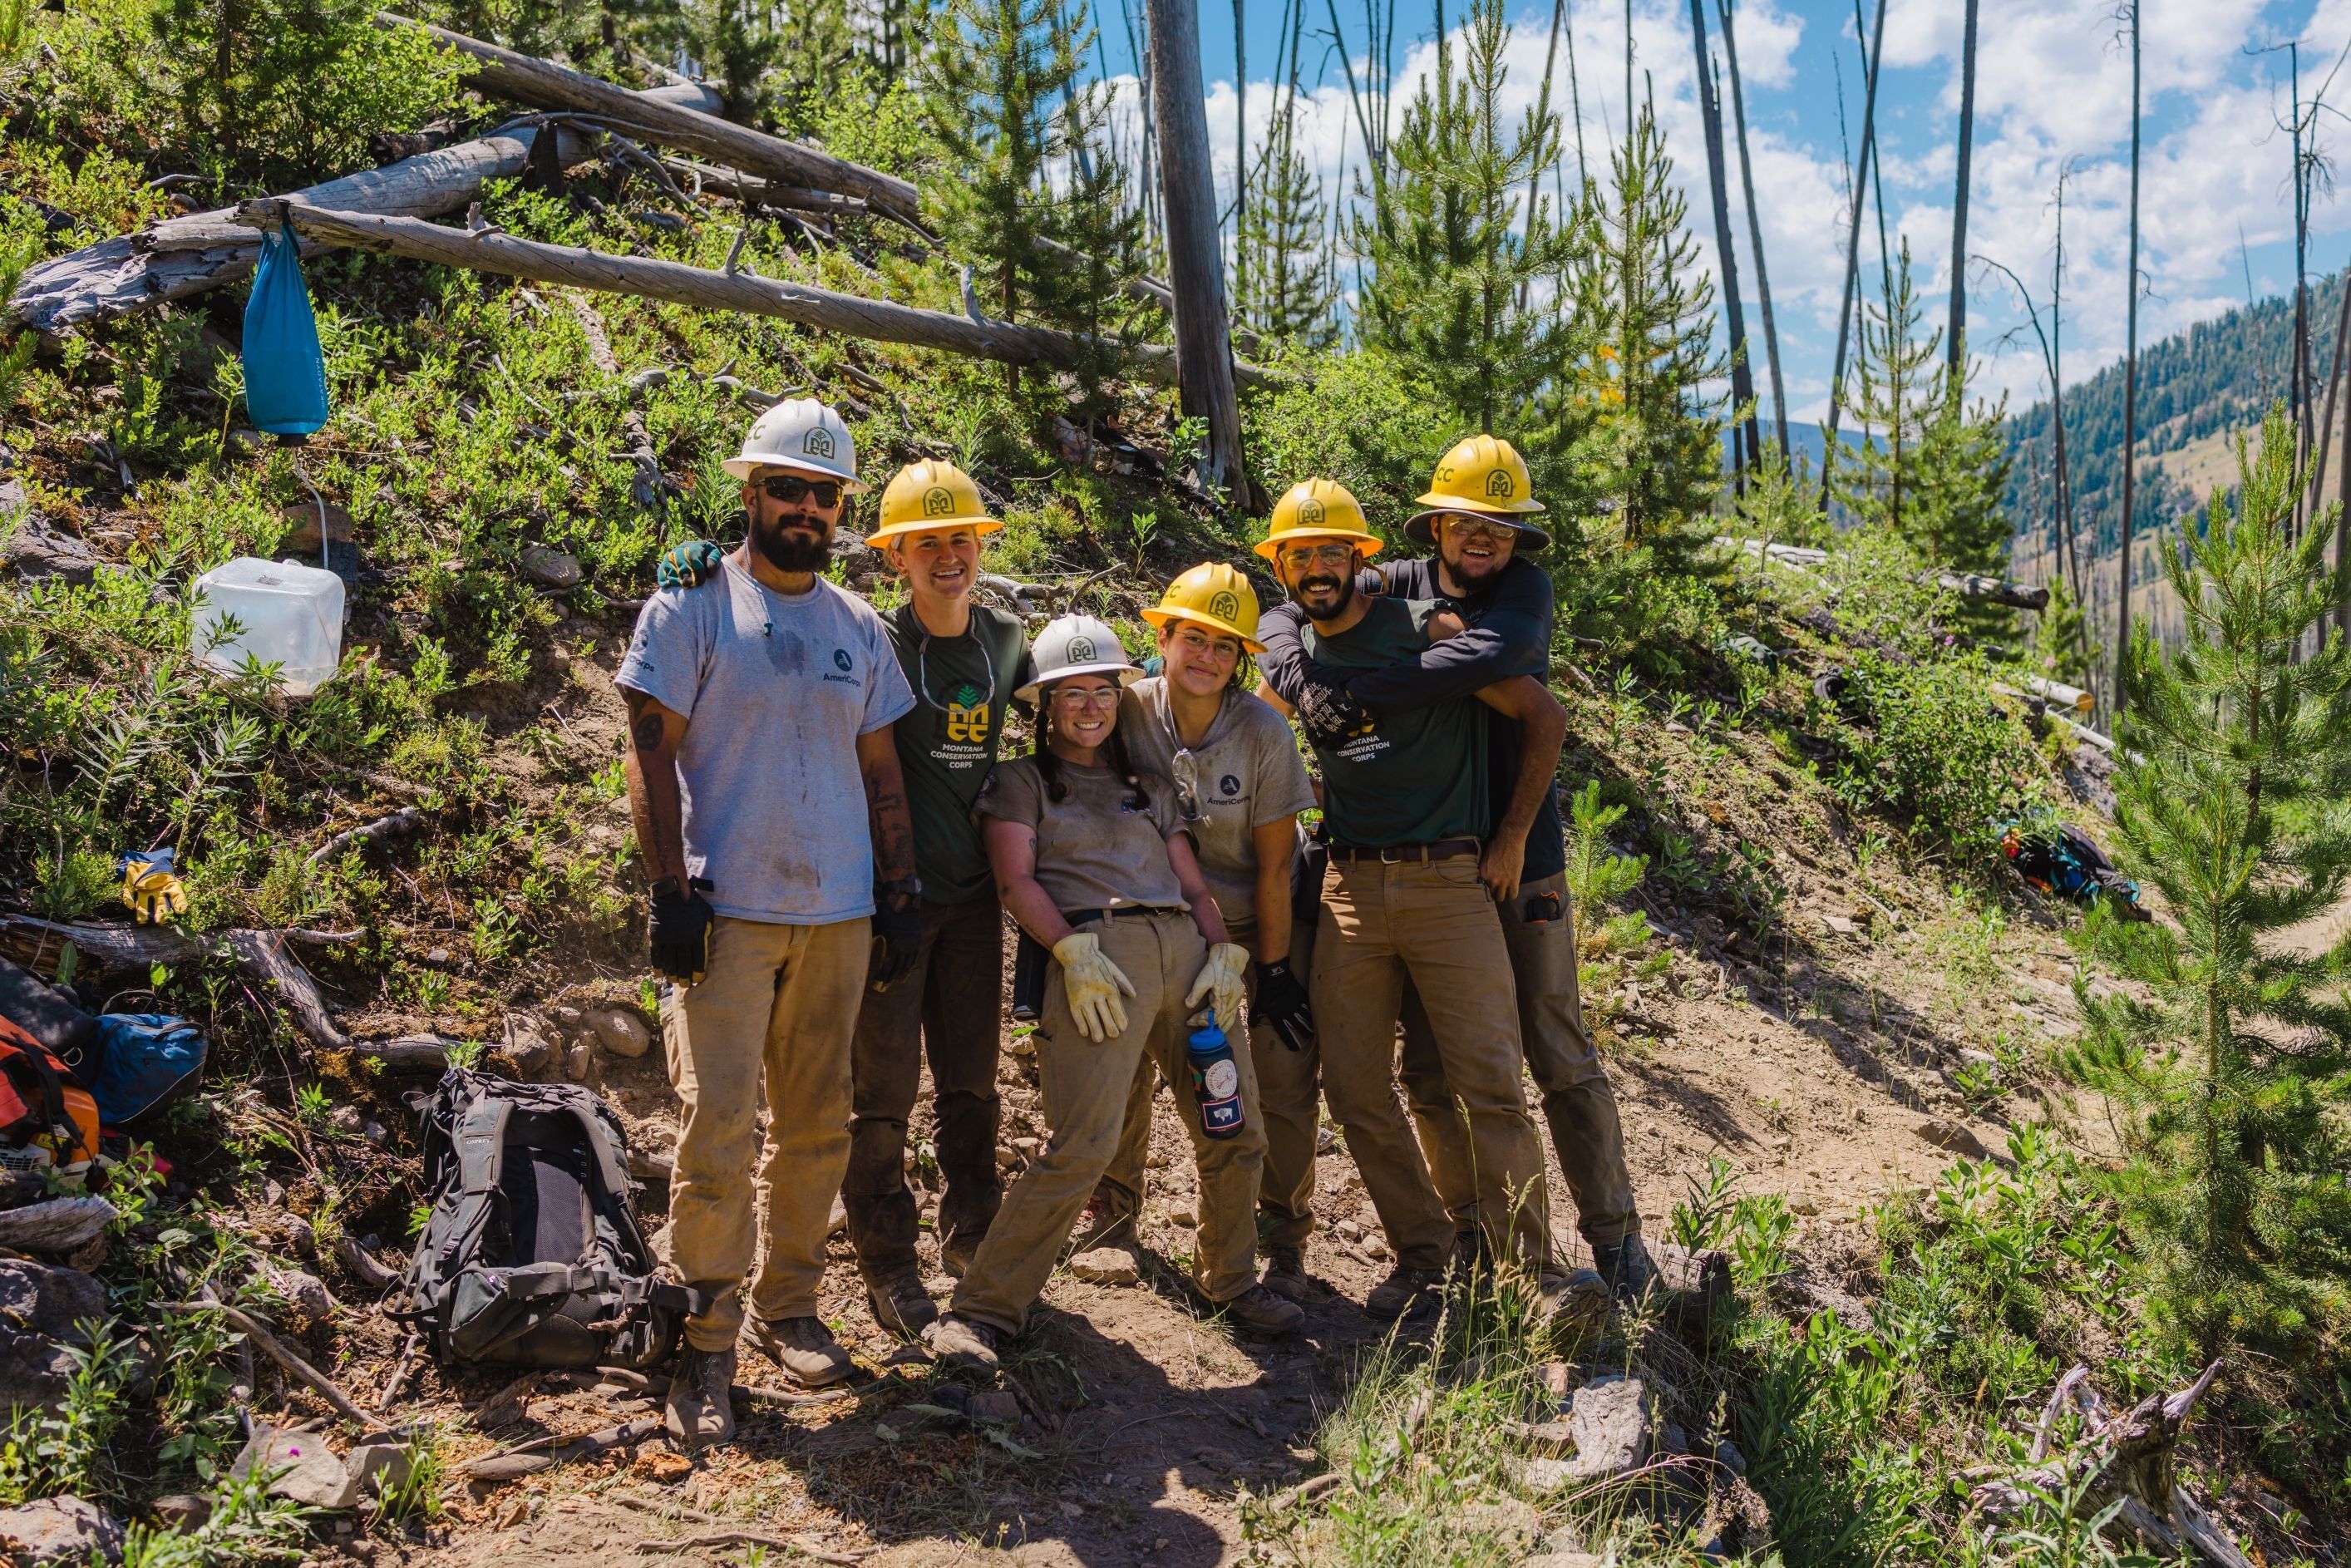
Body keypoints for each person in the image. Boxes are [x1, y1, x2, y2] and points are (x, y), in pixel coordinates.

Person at [1257, 436, 1648, 1294]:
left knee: (1552, 1050)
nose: (1483, 539)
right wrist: (1289, 661)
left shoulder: (1518, 592)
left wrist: (1358, 693)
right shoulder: (1391, 581)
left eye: (1500, 527)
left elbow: (1488, 668)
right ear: (1433, 525)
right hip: (1413, 868)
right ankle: (1469, 1242)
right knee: (1430, 1070)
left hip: (1518, 852)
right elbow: (1292, 601)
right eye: (1466, 523)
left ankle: (1614, 1244)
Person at [655, 462, 1036, 1334]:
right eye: (926, 541)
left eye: (962, 539)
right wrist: (700, 560)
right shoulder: (871, 633)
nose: (948, 556)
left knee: (973, 1086)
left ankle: (976, 1246)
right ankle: (886, 1260)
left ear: (982, 547)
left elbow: (1080, 714)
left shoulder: (1009, 640)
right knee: (879, 1093)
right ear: (893, 553)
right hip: (870, 902)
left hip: (972, 898)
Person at [616, 399, 921, 1447]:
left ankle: (790, 1304)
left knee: (817, 1125)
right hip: (728, 915)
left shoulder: (856, 627)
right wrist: (669, 891)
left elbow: (881, 769)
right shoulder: (692, 601)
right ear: (748, 492)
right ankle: (705, 1335)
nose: (804, 506)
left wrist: (900, 890)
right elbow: (648, 748)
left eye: (823, 493)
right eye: (785, 487)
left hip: (836, 916)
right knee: (717, 1129)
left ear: (840, 508)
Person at [924, 616, 1306, 1372]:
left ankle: (1230, 1280)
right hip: (1102, 963)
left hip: (1191, 963)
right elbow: (1015, 880)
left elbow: (1193, 882)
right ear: (1045, 705)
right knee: (1084, 1144)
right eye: (1073, 694)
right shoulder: (1020, 783)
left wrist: (1225, 951)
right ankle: (983, 1309)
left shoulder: (1150, 786)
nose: (1092, 707)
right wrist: (1066, 948)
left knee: (1233, 1125)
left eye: (1104, 691)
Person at [1085, 565, 1322, 1301]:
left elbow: (1277, 866)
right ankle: (1110, 1216)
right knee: (1126, 1066)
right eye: (1194, 639)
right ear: (1163, 637)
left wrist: (1273, 972)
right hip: (1157, 919)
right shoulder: (1125, 711)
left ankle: (1274, 1234)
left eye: (1226, 647)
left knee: (1270, 1082)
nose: (1208, 658)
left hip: (1253, 922)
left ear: (1243, 657)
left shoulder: (1262, 732)